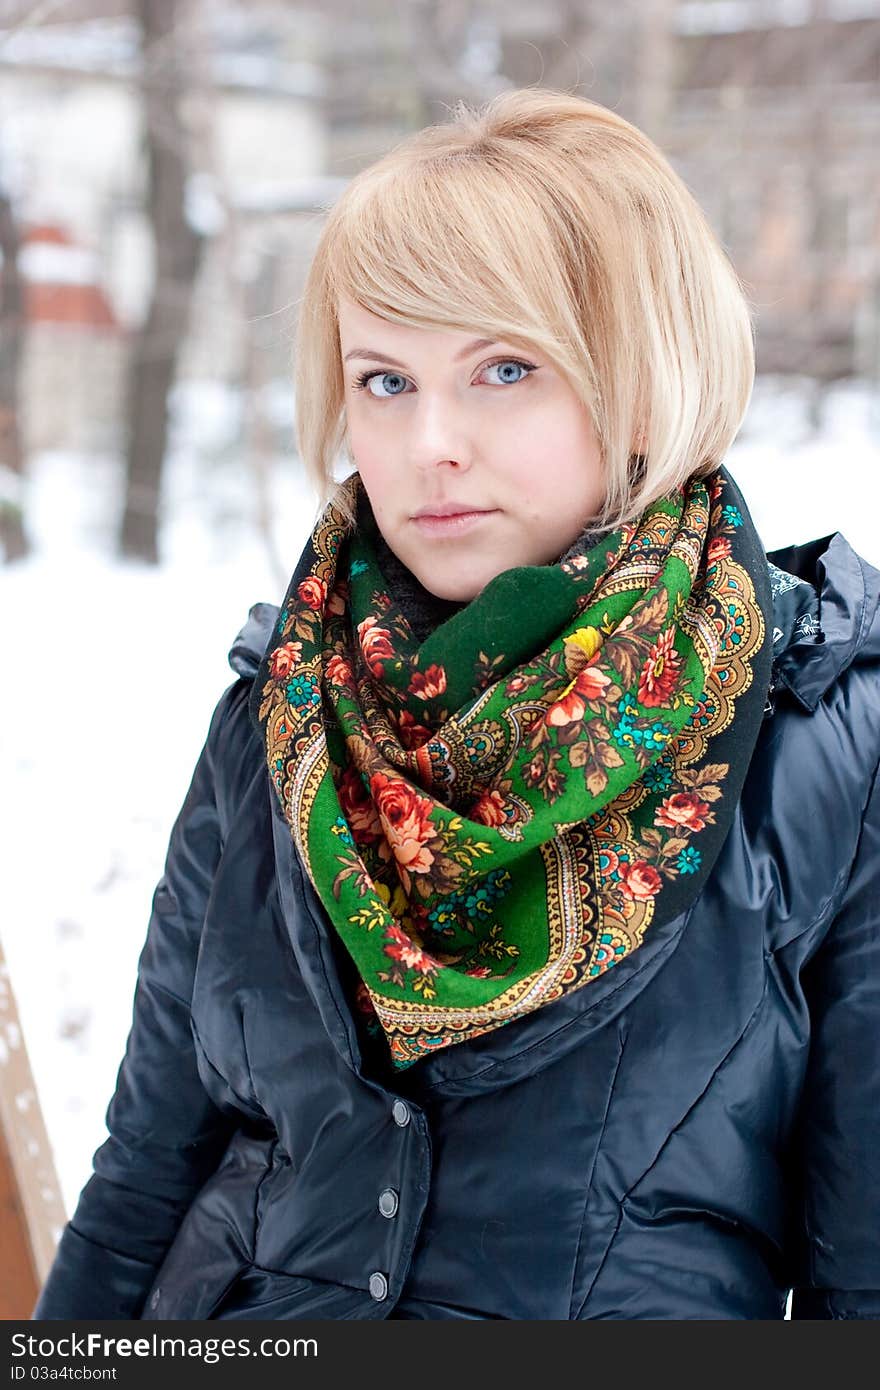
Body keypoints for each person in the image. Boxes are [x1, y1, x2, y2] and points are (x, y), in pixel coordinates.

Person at [34, 88, 879, 1322]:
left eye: (503, 368)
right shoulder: (281, 713)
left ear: (640, 378)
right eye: (384, 379)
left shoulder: (821, 743)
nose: (430, 442)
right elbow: (147, 1171)